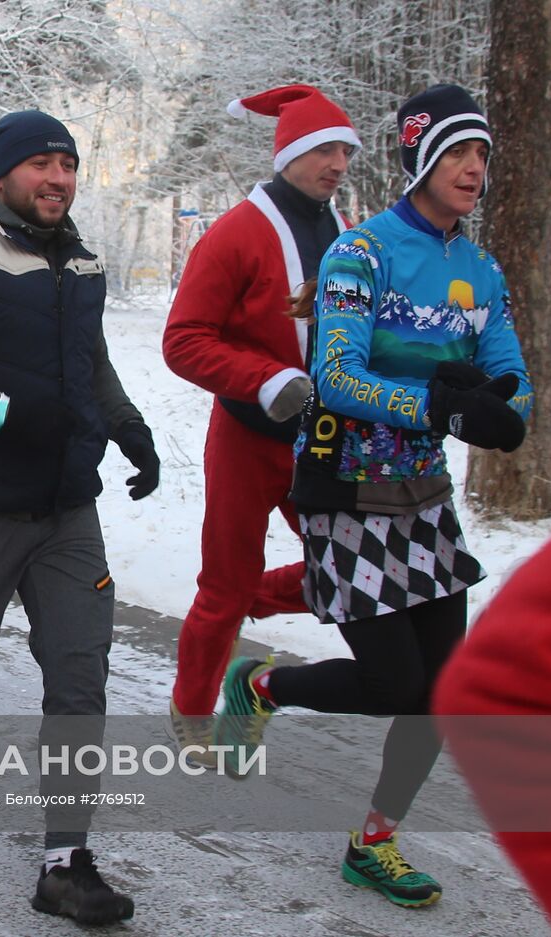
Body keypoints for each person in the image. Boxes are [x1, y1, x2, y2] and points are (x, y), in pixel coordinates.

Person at [213, 84, 533, 909]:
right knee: (396, 685)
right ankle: (261, 685)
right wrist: (437, 401)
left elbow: (511, 379)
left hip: (424, 498)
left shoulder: (478, 266)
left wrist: (501, 408)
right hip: (348, 490)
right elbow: (337, 375)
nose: (474, 168)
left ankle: (374, 842)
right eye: (458, 152)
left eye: (483, 155)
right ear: (421, 158)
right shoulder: (362, 254)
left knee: (441, 694)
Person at [0, 109, 156, 926]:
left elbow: (90, 362)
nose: (57, 178)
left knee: (80, 674)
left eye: (68, 164)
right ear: (3, 173)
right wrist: (3, 414)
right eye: (41, 164)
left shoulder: (81, 262)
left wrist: (128, 427)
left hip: (66, 512)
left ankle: (64, 862)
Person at [163, 85, 360, 750]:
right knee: (221, 582)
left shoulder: (347, 233)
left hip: (326, 443)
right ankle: (191, 712)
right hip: (248, 437)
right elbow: (183, 339)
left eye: (346, 151)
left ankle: (246, 598)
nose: (339, 163)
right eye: (327, 149)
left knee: (355, 565)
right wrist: (267, 378)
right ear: (291, 152)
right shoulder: (235, 233)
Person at [434, 529, 551, 933]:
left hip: (425, 509)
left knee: (412, 696)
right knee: (400, 690)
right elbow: (501, 680)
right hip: (351, 506)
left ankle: (374, 835)